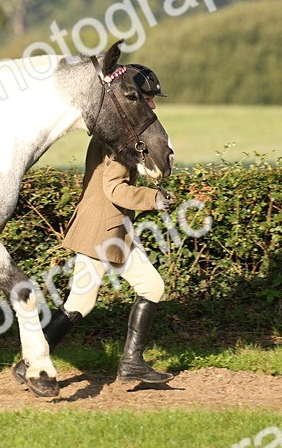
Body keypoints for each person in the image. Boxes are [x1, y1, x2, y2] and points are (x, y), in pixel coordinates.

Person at [12, 63, 175, 391]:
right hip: (103, 231)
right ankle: (34, 361)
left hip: (112, 230)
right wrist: (153, 198)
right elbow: (114, 190)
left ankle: (129, 362)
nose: (152, 106)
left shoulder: (119, 134)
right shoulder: (118, 140)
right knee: (84, 302)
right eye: (147, 99)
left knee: (143, 288)